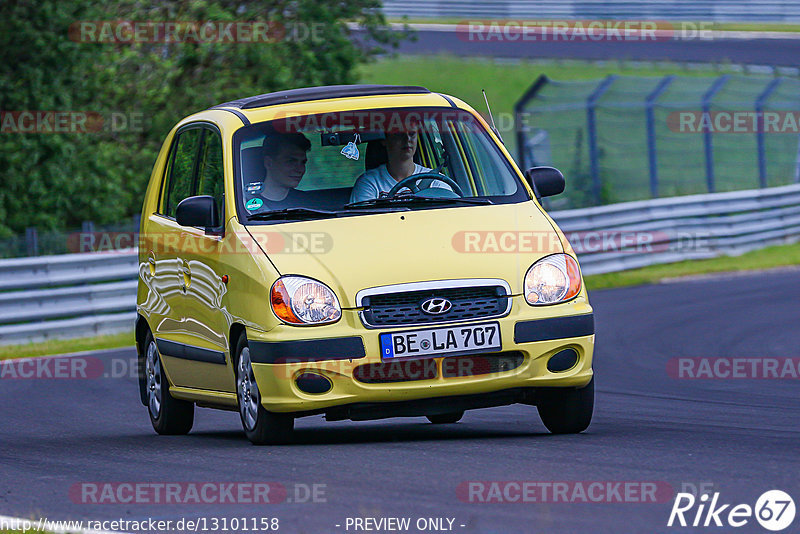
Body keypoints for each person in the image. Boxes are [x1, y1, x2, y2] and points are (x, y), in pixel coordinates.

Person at [349, 127, 451, 203]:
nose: (407, 139)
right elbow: (364, 224)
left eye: (412, 134)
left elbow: (451, 215)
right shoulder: (369, 182)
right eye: (399, 134)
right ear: (385, 140)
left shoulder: (435, 180)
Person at [246, 133, 311, 211]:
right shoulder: (242, 205)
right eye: (290, 161)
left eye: (303, 162)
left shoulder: (307, 203)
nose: (300, 169)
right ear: (268, 163)